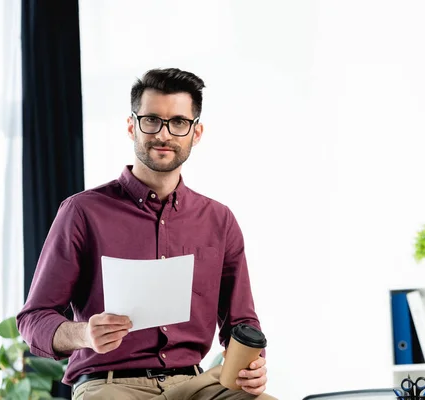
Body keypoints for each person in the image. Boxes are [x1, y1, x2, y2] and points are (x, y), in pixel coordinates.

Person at [17, 68, 275, 400]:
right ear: (131, 126)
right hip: (109, 385)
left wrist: (253, 367)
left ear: (196, 133)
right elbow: (33, 319)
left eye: (179, 122)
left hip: (196, 384)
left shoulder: (219, 220)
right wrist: (85, 334)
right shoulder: (82, 212)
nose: (164, 134)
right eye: (151, 120)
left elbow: (242, 322)